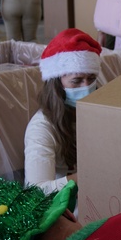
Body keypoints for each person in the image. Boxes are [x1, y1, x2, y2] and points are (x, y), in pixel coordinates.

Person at [24, 29, 99, 195]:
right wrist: (89, 177)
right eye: (77, 81)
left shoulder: (99, 112)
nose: (86, 87)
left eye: (92, 79)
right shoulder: (42, 127)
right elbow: (36, 191)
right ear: (57, 83)